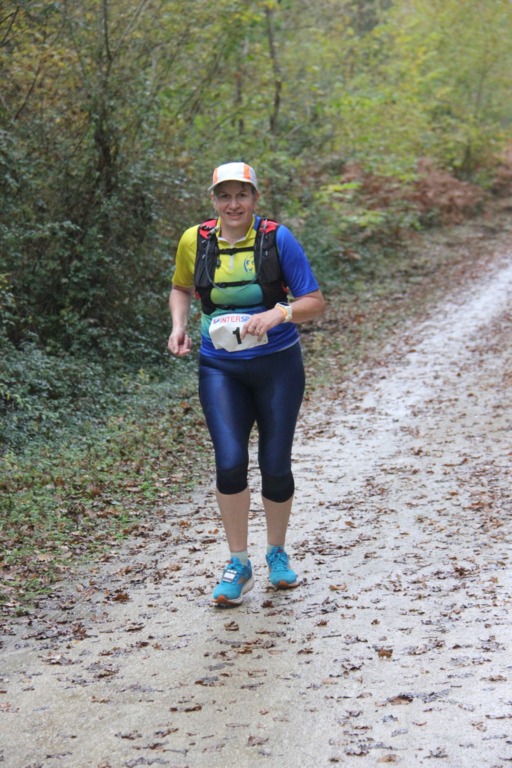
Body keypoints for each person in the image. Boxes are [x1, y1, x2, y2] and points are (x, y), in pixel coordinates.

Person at [168, 161, 325, 606]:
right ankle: (239, 563)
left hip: (277, 366)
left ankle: (276, 553)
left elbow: (314, 301)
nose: (233, 204)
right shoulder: (195, 240)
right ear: (213, 199)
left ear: (255, 198)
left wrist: (280, 313)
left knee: (275, 464)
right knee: (230, 462)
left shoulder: (277, 238)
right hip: (220, 368)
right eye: (225, 195)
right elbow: (180, 288)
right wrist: (179, 326)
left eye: (242, 195)